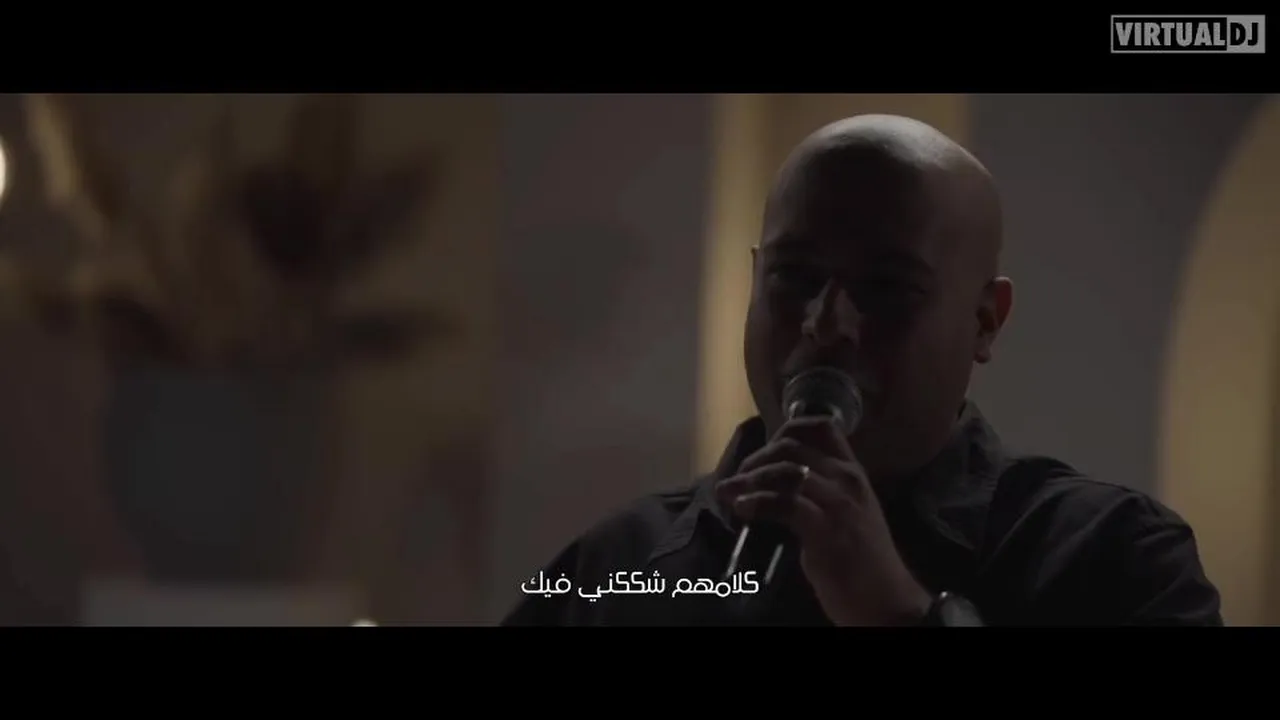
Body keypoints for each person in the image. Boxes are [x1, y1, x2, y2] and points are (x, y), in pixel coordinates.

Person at [502, 114, 1223, 626]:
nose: (826, 322)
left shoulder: (1114, 559)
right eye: (793, 278)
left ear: (985, 321)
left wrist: (899, 615)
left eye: (886, 288)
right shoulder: (612, 566)